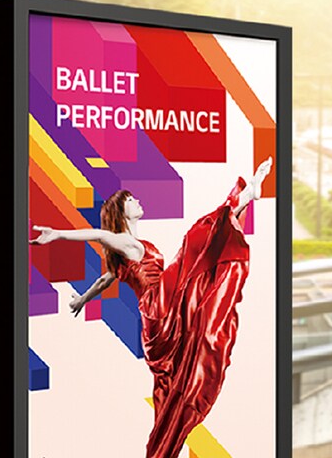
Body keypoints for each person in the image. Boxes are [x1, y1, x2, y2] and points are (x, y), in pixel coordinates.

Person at [29, 158, 272, 458]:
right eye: (131, 200)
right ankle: (243, 198)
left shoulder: (128, 249)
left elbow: (107, 279)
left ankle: (163, 450)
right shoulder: (124, 242)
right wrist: (60, 234)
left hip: (156, 320)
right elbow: (100, 235)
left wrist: (82, 298)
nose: (137, 201)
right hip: (160, 306)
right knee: (195, 246)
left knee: (170, 389)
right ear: (121, 211)